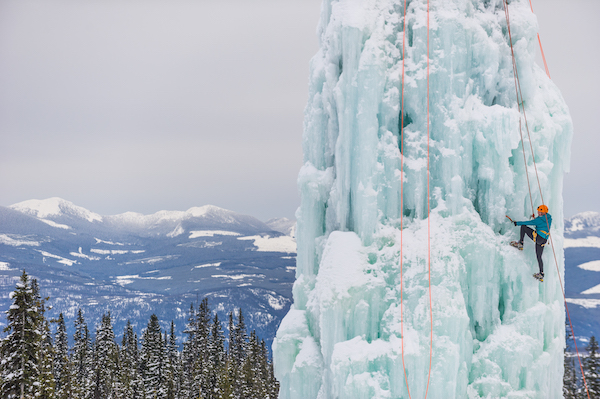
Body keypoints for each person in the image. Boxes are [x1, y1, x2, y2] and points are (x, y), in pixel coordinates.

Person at [510, 205, 552, 282]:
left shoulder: (539, 220)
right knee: (539, 256)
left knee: (523, 227)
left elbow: (529, 222)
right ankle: (541, 273)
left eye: (540, 212)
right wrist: (537, 219)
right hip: (544, 240)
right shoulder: (549, 218)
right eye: (538, 212)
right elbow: (541, 223)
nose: (538, 213)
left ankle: (521, 243)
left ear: (543, 212)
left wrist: (517, 223)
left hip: (539, 237)